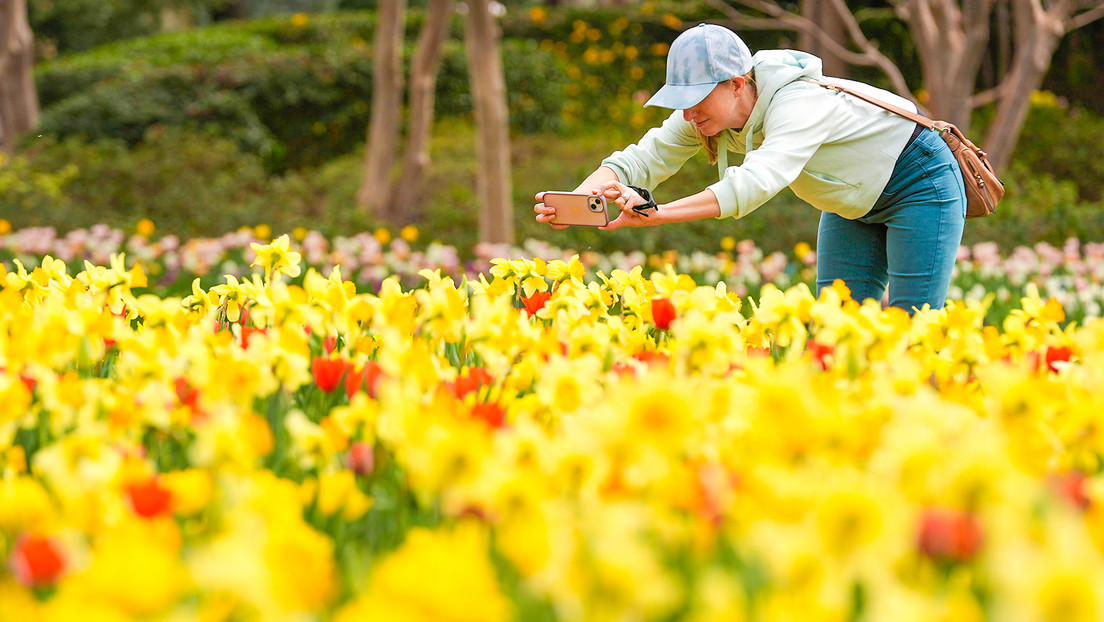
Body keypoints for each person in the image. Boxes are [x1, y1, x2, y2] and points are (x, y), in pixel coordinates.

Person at [534, 23, 966, 313]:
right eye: (682, 101)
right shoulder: (706, 118)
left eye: (697, 99)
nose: (688, 114)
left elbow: (757, 182)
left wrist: (655, 213)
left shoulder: (798, 102)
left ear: (738, 83)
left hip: (918, 184)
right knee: (835, 333)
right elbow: (641, 160)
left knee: (911, 329)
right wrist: (579, 201)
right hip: (852, 202)